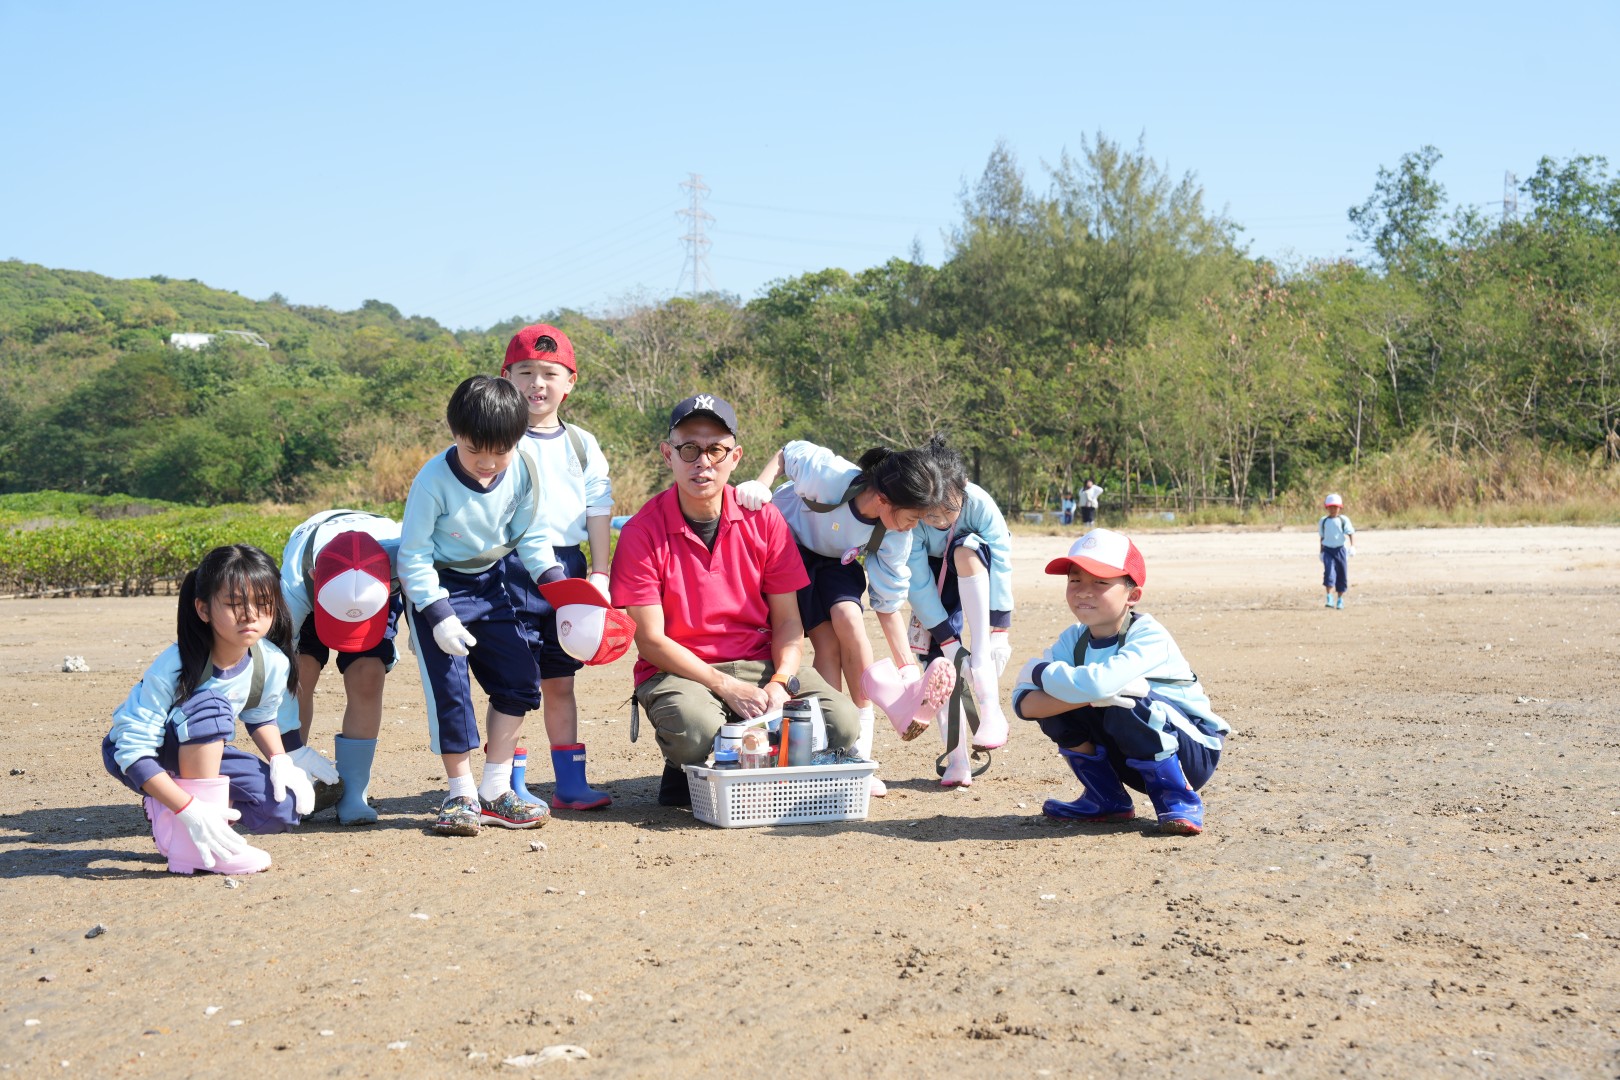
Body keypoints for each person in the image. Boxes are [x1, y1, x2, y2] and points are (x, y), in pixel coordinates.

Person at [611, 393, 861, 808]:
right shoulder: (641, 531)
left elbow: (788, 623)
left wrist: (780, 682)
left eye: (716, 450)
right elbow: (651, 641)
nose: (702, 462)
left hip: (759, 664)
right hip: (680, 670)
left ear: (735, 456)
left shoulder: (765, 520)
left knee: (843, 724)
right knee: (695, 731)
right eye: (689, 449)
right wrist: (726, 686)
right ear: (668, 454)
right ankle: (687, 761)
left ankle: (738, 755)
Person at [736, 438, 955, 797]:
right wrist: (761, 484)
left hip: (837, 560)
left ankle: (860, 754)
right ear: (883, 499)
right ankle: (833, 746)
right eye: (913, 516)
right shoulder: (830, 475)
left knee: (849, 617)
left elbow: (888, 604)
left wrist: (908, 670)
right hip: (790, 547)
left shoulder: (894, 535)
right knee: (827, 643)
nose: (914, 526)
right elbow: (787, 453)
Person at [397, 375, 564, 837]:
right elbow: (412, 557)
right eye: (474, 452)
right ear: (455, 433)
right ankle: (460, 794)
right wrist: (437, 615)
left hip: (490, 582)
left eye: (500, 452)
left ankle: (494, 791)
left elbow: (533, 538)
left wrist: (562, 593)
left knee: (519, 677)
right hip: (437, 588)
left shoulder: (525, 470)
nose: (487, 464)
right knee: (451, 691)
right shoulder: (432, 481)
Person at [102, 544, 317, 875]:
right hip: (141, 754)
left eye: (263, 603)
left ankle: (169, 806)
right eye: (234, 604)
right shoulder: (176, 664)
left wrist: (280, 760)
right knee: (212, 706)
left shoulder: (271, 662)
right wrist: (190, 810)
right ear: (203, 609)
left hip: (203, 749)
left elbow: (260, 715)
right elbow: (133, 751)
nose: (250, 615)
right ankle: (191, 845)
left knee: (282, 806)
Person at [1011, 529, 1228, 835]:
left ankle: (1179, 801)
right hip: (1128, 756)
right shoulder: (1074, 639)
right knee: (1068, 706)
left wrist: (1037, 672)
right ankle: (1106, 799)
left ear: (1133, 595)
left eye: (1100, 582)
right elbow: (1025, 704)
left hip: (1191, 753)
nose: (1083, 591)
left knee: (1126, 696)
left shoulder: (1148, 635)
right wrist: (1085, 694)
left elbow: (1099, 685)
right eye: (1075, 580)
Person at [498, 324, 615, 810]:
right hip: (509, 569)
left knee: (561, 679)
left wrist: (600, 572)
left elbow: (598, 506)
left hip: (568, 569)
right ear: (506, 377)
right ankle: (507, 782)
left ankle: (570, 784)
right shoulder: (496, 438)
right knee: (513, 684)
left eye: (549, 373)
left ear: (570, 382)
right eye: (525, 372)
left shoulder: (582, 443)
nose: (537, 383)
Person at [275, 511, 404, 826]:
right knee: (300, 673)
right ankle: (295, 781)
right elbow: (276, 672)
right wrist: (292, 751)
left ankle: (353, 793)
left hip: (377, 581)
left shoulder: (404, 556)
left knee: (368, 674)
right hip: (317, 585)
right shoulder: (295, 585)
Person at [905, 437, 1015, 787]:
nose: (939, 520)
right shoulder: (913, 515)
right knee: (939, 666)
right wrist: (948, 641)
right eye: (930, 514)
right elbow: (917, 582)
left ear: (962, 488)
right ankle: (957, 758)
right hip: (932, 583)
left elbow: (1001, 560)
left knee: (965, 549)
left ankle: (990, 704)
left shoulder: (979, 502)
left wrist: (999, 631)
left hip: (974, 569)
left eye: (948, 510)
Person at [1319, 492, 1355, 609]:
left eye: (1335, 507)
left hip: (1340, 550)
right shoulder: (1323, 521)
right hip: (1328, 550)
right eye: (1330, 507)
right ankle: (1329, 597)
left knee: (1342, 574)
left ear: (1340, 508)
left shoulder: (1343, 520)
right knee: (1329, 572)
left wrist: (1352, 546)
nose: (1333, 509)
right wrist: (1321, 551)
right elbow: (1322, 537)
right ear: (1327, 508)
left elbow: (1350, 533)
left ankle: (1340, 599)